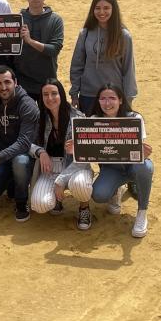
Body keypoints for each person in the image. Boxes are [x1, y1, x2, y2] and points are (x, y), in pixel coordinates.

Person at [89, 84, 154, 238]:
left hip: (133, 167)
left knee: (145, 167)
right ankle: (116, 189)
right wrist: (77, 149)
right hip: (111, 169)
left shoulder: (134, 118)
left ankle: (142, 213)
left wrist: (144, 153)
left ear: (120, 100)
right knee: (99, 195)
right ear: (98, 101)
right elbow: (89, 151)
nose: (107, 103)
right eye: (103, 98)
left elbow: (139, 151)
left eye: (112, 98)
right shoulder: (93, 120)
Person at [29, 78, 94, 230]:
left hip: (75, 166)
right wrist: (41, 151)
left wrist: (61, 180)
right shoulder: (39, 117)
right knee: (40, 204)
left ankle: (84, 208)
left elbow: (86, 155)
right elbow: (27, 143)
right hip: (50, 167)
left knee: (81, 186)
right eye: (45, 94)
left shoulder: (77, 117)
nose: (50, 98)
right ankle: (56, 199)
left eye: (54, 93)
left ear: (61, 95)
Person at [0, 65, 39, 222]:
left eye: (7, 82)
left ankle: (21, 201)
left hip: (25, 155)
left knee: (20, 162)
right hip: (2, 157)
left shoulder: (27, 105)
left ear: (15, 82)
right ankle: (12, 181)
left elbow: (24, 143)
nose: (3, 87)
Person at [69, 0, 137, 116]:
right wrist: (74, 94)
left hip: (113, 98)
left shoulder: (124, 36)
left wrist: (128, 100)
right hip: (88, 95)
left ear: (113, 9)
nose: (101, 12)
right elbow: (77, 66)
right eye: (97, 8)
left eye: (106, 8)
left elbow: (128, 70)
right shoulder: (85, 33)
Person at [13, 0, 64, 101]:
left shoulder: (56, 20)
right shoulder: (16, 20)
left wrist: (30, 41)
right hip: (22, 84)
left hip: (47, 83)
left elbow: (54, 50)